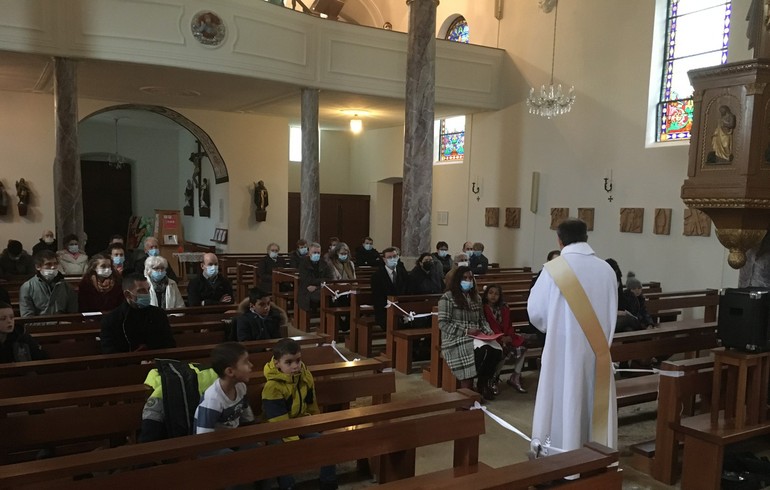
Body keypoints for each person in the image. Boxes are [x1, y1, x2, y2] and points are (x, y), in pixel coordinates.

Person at [527, 218, 618, 455]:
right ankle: (597, 459)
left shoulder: (555, 269)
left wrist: (555, 325)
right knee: (592, 411)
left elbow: (536, 314)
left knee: (564, 403)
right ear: (586, 237)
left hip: (563, 353)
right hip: (598, 354)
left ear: (559, 239)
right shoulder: (606, 269)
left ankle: (562, 460)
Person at [262, 338, 338, 490]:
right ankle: (288, 486)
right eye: (288, 363)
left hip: (301, 422)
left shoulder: (305, 376)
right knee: (280, 451)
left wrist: (317, 424)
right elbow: (279, 422)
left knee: (325, 443)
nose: (295, 366)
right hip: (276, 429)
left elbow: (311, 403)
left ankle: (328, 482)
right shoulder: (272, 387)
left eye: (298, 360)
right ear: (277, 363)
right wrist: (295, 443)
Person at [438, 266, 502, 401]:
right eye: (464, 278)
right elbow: (443, 323)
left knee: (496, 350)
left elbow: (482, 320)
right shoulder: (447, 298)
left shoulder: (476, 298)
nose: (468, 280)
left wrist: (488, 332)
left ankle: (483, 382)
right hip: (456, 337)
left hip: (476, 335)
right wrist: (465, 331)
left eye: (470, 278)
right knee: (483, 350)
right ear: (458, 280)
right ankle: (468, 384)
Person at [100, 273, 176, 353]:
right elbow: (109, 352)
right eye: (141, 290)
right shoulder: (111, 320)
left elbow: (170, 344)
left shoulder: (158, 314)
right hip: (128, 364)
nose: (147, 294)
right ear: (128, 295)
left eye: (148, 289)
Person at [194, 342, 255, 434]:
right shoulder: (213, 399)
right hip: (215, 442)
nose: (251, 365)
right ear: (230, 371)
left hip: (234, 435)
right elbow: (203, 436)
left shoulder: (241, 387)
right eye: (246, 362)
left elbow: (247, 415)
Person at [483, 284, 527, 394]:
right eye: (491, 293)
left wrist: (509, 336)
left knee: (522, 347)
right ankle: (494, 379)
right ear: (486, 294)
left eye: (496, 294)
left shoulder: (504, 308)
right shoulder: (483, 308)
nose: (493, 296)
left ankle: (515, 377)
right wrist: (501, 337)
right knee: (501, 352)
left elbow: (509, 324)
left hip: (506, 336)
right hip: (493, 337)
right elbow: (488, 326)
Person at [19, 250, 78, 317]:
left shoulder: (67, 286)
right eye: (48, 264)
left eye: (55, 264)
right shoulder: (28, 287)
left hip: (63, 325)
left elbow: (73, 314)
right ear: (38, 267)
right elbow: (27, 318)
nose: (53, 267)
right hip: (39, 326)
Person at [370, 247, 408, 328]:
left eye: (394, 256)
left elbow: (407, 291)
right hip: (384, 310)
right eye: (389, 257)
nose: (393, 259)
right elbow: (378, 298)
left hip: (401, 308)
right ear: (384, 259)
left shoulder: (403, 272)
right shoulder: (377, 276)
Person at [298, 242, 332, 314]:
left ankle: (330, 319)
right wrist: (321, 281)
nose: (316, 254)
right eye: (314, 252)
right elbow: (306, 280)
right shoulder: (303, 263)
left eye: (318, 253)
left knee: (331, 297)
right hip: (306, 290)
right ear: (309, 253)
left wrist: (316, 286)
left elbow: (329, 278)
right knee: (322, 297)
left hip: (320, 288)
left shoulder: (324, 263)